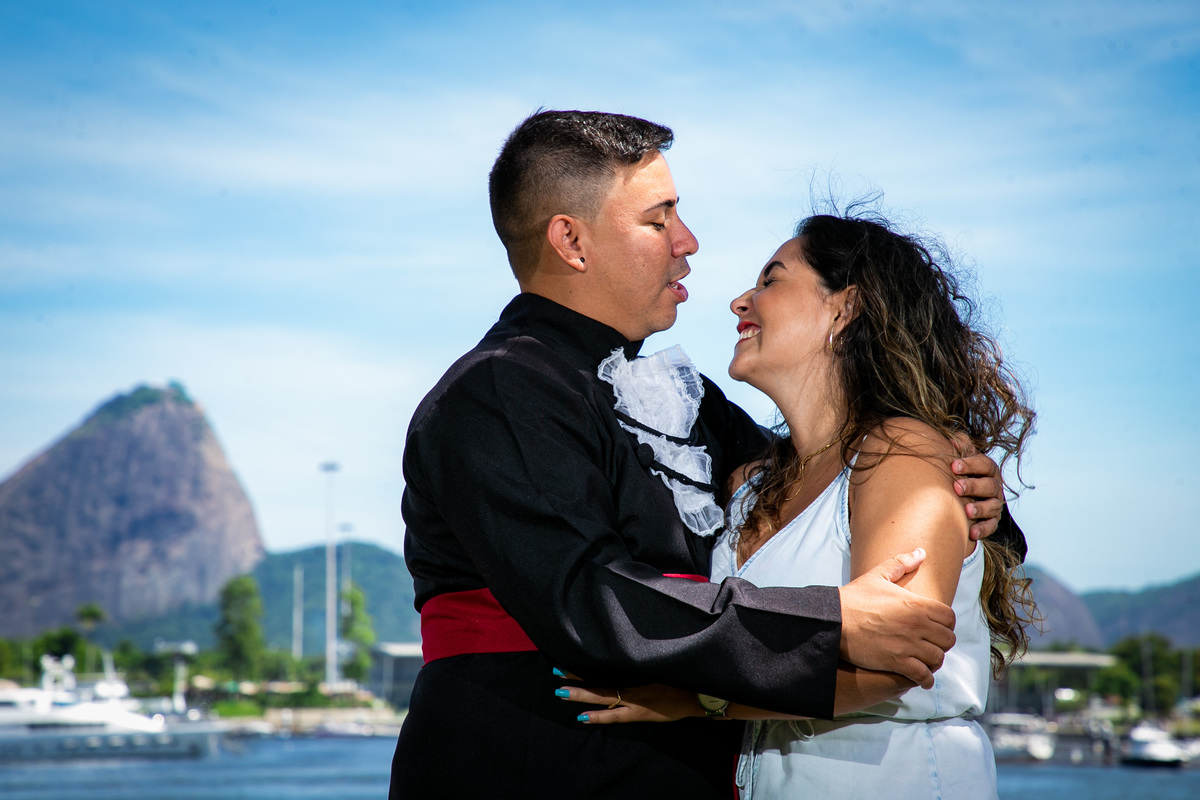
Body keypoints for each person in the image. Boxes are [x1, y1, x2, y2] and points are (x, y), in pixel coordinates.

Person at [388, 111, 1022, 799]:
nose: (687, 242)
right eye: (657, 220)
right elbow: (587, 598)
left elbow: (829, 490)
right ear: (571, 241)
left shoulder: (689, 402)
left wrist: (974, 498)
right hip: (527, 770)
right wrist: (834, 621)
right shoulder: (496, 392)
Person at [559, 210, 1038, 799]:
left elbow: (901, 662)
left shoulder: (903, 453)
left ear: (845, 308)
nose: (740, 302)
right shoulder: (750, 481)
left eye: (771, 280)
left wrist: (694, 700)